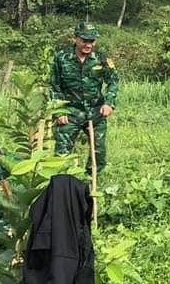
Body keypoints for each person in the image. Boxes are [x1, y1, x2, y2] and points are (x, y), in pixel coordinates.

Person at [51, 21, 119, 171]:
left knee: (98, 154)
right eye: (84, 40)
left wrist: (109, 103)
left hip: (95, 113)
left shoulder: (101, 58)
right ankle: (62, 186)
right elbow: (54, 86)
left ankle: (90, 184)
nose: (88, 45)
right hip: (70, 113)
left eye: (92, 41)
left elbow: (113, 81)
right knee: (60, 156)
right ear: (75, 39)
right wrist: (59, 111)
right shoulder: (61, 58)